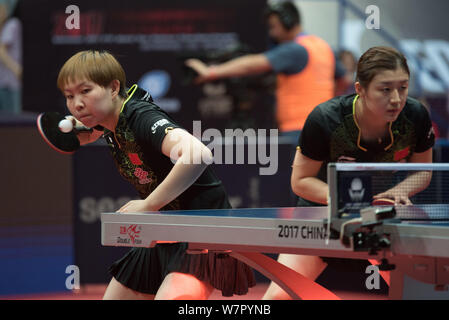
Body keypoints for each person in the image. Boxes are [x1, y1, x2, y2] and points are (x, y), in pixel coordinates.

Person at [56, 50, 256, 300]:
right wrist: (88, 127)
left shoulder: (141, 116)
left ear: (113, 88)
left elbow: (197, 154)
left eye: (86, 91)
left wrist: (149, 204)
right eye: (69, 96)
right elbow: (97, 129)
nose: (77, 103)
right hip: (165, 230)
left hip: (202, 232)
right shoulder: (111, 123)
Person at [263, 46, 435, 299]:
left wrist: (397, 192)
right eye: (385, 89)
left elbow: (423, 171)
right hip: (320, 217)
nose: (396, 99)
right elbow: (300, 181)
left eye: (403, 87)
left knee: (416, 293)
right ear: (360, 89)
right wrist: (346, 201)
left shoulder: (415, 116)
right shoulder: (325, 119)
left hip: (381, 220)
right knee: (277, 298)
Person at [185, 1, 349, 144]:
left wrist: (210, 72)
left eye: (274, 27)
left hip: (299, 130)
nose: (272, 33)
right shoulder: (323, 47)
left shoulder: (294, 50)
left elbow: (251, 65)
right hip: (323, 128)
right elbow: (344, 80)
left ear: (289, 22)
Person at [0, 0, 22, 114]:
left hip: (12, 84)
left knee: (14, 122)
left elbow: (1, 50)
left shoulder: (12, 24)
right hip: (2, 84)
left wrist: (16, 69)